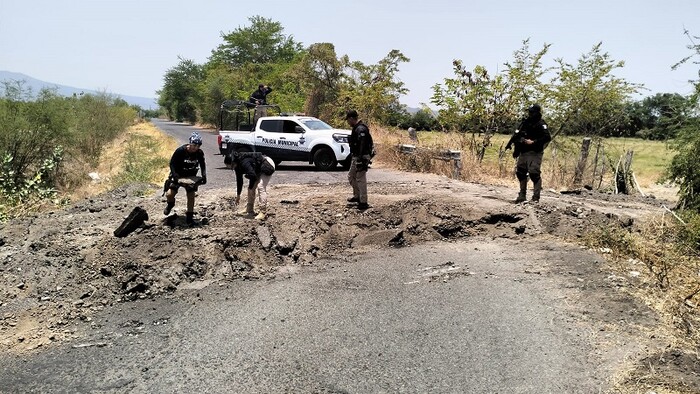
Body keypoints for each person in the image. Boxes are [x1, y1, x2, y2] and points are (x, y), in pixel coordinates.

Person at [505, 104, 551, 203]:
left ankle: (535, 198)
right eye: (529, 112)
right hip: (523, 151)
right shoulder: (525, 123)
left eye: (532, 112)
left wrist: (534, 142)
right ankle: (522, 195)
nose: (530, 114)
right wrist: (515, 147)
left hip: (535, 152)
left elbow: (547, 137)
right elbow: (517, 135)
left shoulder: (541, 124)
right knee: (520, 172)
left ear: (537, 113)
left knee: (534, 173)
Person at [163, 132, 207, 224]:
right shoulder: (180, 151)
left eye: (198, 145)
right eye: (194, 145)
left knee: (191, 196)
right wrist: (175, 175)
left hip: (191, 177)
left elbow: (202, 164)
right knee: (170, 194)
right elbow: (172, 163)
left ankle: (189, 218)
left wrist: (204, 175)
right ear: (190, 143)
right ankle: (170, 204)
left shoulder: (199, 153)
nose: (196, 147)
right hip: (178, 175)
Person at [231, 151, 276, 219]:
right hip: (258, 168)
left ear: (233, 162)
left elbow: (253, 176)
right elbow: (239, 180)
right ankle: (249, 209)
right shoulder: (237, 166)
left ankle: (263, 212)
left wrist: (251, 187)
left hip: (267, 164)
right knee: (250, 188)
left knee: (260, 187)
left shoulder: (244, 162)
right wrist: (238, 195)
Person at [345, 110, 374, 210]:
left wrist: (361, 158)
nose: (348, 122)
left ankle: (363, 202)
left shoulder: (361, 129)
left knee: (360, 179)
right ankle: (357, 196)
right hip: (356, 156)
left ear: (352, 119)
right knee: (351, 176)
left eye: (348, 120)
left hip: (361, 157)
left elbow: (362, 142)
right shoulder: (357, 128)